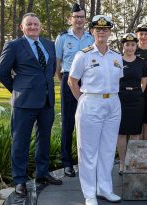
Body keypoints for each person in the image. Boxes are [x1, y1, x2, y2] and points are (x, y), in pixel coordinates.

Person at [0, 12, 62, 197]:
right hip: (24, 103)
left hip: (46, 101)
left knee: (44, 139)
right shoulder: (14, 45)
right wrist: (18, 90)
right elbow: (1, 73)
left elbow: (48, 72)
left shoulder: (48, 44)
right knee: (20, 142)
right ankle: (19, 180)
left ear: (40, 27)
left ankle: (42, 174)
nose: (33, 27)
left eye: (36, 24)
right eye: (29, 24)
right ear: (22, 27)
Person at [68, 15, 123, 205]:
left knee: (108, 149)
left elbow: (118, 80)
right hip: (91, 102)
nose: (102, 32)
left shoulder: (117, 56)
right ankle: (90, 194)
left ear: (109, 32)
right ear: (92, 31)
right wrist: (83, 100)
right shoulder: (83, 55)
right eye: (98, 29)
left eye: (105, 29)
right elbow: (72, 81)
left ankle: (105, 189)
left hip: (113, 103)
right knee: (88, 152)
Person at [55, 3, 94, 178]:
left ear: (85, 19)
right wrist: (65, 80)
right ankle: (67, 162)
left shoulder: (90, 38)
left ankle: (85, 160)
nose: (79, 20)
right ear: (70, 19)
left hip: (88, 82)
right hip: (68, 80)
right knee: (68, 122)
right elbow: (57, 64)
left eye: (81, 17)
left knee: (87, 121)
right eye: (76, 17)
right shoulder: (63, 38)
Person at [117, 33, 147, 174]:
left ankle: (134, 162)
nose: (130, 47)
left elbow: (144, 82)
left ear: (136, 46)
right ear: (123, 46)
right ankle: (123, 163)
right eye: (127, 44)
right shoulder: (117, 61)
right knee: (122, 133)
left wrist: (137, 93)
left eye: (132, 45)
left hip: (136, 100)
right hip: (121, 99)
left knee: (136, 133)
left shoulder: (141, 62)